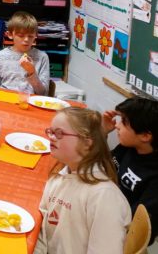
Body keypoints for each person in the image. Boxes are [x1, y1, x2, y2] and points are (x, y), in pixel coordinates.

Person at [35, 107, 131, 253]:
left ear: (87, 143)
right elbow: (42, 224)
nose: (52, 137)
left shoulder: (104, 197)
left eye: (60, 133)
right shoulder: (60, 176)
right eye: (51, 132)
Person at [102, 97, 158, 245]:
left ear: (145, 136)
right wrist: (102, 133)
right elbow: (101, 167)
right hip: (107, 209)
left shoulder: (154, 175)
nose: (117, 125)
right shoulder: (128, 147)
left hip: (123, 234)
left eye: (124, 122)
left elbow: (137, 223)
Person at [0, 11, 49, 94]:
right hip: (5, 98)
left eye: (30, 36)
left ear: (36, 35)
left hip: (29, 99)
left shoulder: (42, 57)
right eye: (21, 36)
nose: (26, 39)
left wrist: (32, 72)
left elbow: (43, 93)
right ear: (10, 34)